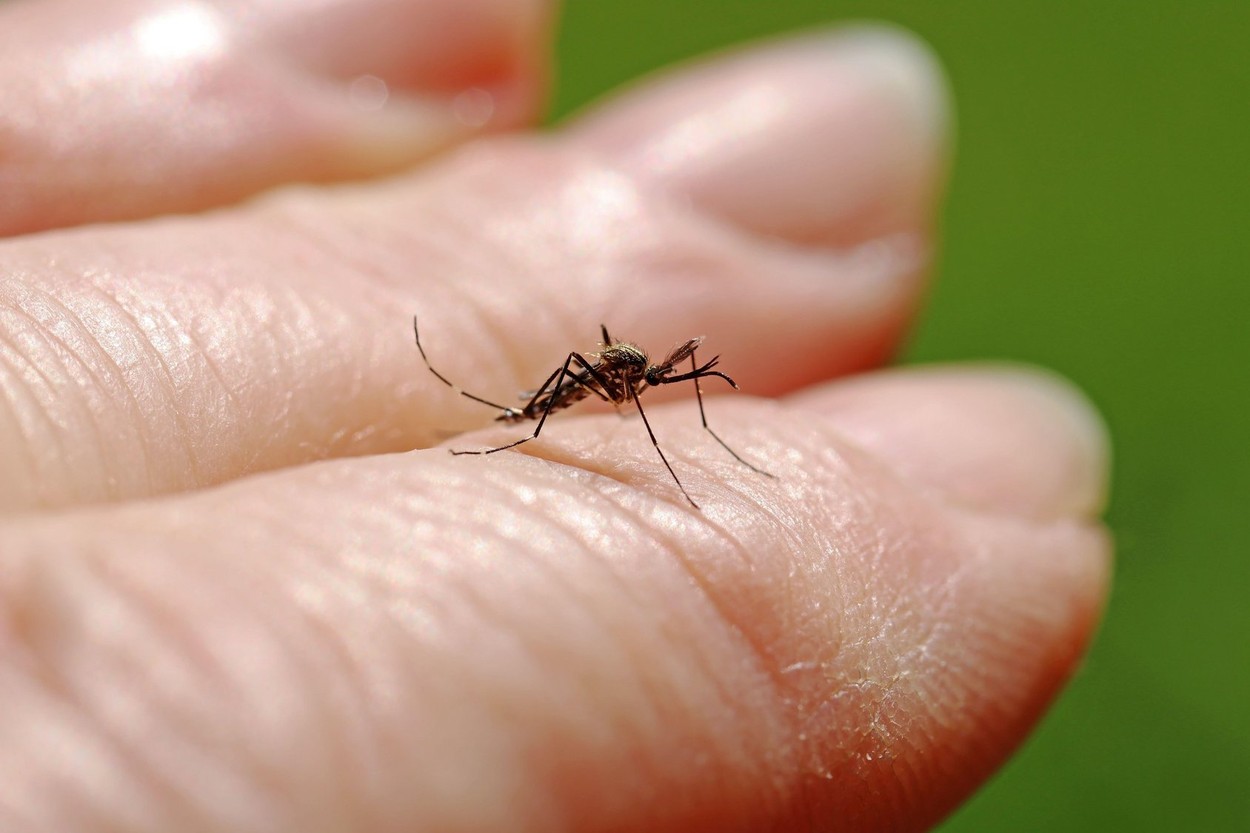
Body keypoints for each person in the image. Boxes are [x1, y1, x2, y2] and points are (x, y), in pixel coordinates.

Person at [0, 0, 1110, 830]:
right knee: (610, 384)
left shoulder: (656, 366)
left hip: (604, 379)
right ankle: (525, 419)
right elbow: (610, 366)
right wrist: (561, 411)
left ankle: (552, 419)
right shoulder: (610, 375)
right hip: (568, 389)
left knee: (677, 382)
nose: (674, 380)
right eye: (672, 379)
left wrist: (688, 398)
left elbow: (662, 371)